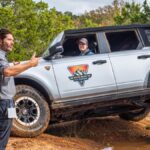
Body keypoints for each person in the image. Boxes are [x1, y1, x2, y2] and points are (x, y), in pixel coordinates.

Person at [0, 28, 39, 150]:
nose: (12, 42)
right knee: (2, 137)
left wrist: (15, 67)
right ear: (0, 40)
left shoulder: (3, 56)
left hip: (6, 102)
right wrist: (30, 64)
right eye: (9, 39)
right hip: (4, 103)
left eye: (13, 40)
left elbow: (6, 71)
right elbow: (6, 72)